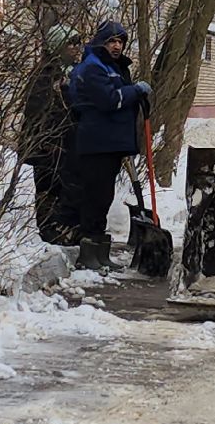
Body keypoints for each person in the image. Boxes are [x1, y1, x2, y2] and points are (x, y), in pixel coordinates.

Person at [62, 19, 153, 270]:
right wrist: (135, 91)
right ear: (102, 41)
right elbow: (109, 100)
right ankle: (90, 251)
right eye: (112, 41)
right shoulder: (93, 67)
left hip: (110, 142)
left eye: (121, 41)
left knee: (103, 197)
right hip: (97, 142)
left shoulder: (111, 66)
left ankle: (99, 252)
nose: (117, 46)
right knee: (95, 197)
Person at [20, 25, 82, 245]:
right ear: (58, 46)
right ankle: (48, 231)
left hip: (60, 144)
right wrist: (48, 140)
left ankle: (57, 229)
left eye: (77, 43)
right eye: (70, 43)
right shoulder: (46, 74)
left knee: (59, 186)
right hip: (47, 146)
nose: (75, 48)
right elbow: (37, 111)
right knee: (48, 187)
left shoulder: (65, 72)